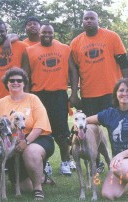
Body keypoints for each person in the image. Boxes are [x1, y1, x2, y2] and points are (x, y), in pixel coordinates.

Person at [70, 10, 128, 172]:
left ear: (98, 20)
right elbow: (74, 70)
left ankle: (119, 162)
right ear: (82, 22)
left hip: (111, 93)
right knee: (90, 130)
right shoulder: (76, 43)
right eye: (86, 18)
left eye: (92, 18)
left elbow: (124, 63)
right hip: (88, 95)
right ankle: (96, 162)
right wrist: (74, 93)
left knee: (115, 129)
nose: (88, 21)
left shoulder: (111, 36)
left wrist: (126, 87)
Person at [0, 68, 53, 200]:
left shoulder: (33, 99)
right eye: (12, 80)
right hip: (11, 142)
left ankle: (38, 189)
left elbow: (40, 126)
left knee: (30, 152)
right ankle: (42, 177)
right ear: (7, 83)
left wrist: (26, 142)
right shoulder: (1, 102)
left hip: (36, 138)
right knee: (24, 187)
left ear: (24, 83)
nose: (16, 83)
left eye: (19, 80)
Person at [22, 24, 78, 176]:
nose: (47, 35)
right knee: (40, 131)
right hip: (38, 96)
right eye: (44, 32)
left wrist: (74, 93)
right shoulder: (29, 50)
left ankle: (65, 162)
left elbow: (73, 71)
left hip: (58, 94)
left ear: (54, 34)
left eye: (50, 32)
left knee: (61, 132)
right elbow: (25, 76)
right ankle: (44, 163)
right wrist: (26, 98)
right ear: (39, 34)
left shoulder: (65, 49)